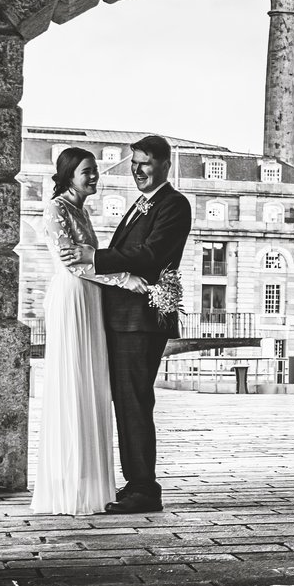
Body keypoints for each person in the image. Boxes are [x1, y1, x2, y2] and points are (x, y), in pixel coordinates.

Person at [94, 136, 191, 514]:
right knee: (127, 400)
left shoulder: (174, 204)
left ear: (165, 165)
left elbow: (150, 256)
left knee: (134, 401)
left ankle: (144, 488)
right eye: (134, 163)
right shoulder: (140, 204)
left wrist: (93, 258)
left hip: (141, 320)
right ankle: (136, 481)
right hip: (125, 318)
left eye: (145, 163)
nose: (137, 169)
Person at [30, 147, 125, 516]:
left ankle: (89, 481)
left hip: (91, 300)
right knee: (71, 383)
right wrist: (123, 279)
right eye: (88, 171)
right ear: (69, 174)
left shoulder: (81, 210)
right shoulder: (55, 209)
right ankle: (67, 485)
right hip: (72, 297)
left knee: (91, 385)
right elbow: (73, 264)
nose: (94, 176)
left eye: (96, 170)